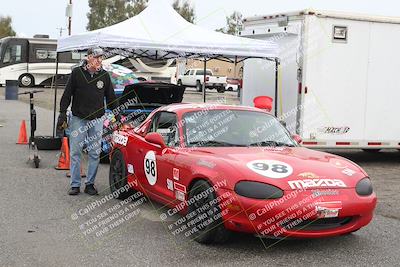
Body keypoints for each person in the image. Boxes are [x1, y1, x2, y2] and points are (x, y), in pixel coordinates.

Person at [57, 47, 119, 196]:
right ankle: (75, 184)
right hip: (79, 118)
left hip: (97, 120)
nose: (99, 61)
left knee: (94, 153)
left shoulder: (104, 76)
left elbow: (111, 97)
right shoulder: (77, 73)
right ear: (89, 57)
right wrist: (62, 113)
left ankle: (90, 184)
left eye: (101, 58)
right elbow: (67, 95)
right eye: (97, 57)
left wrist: (117, 114)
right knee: (76, 152)